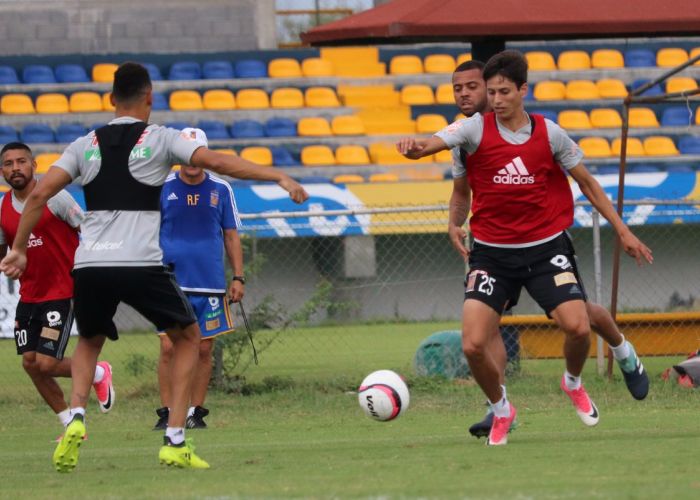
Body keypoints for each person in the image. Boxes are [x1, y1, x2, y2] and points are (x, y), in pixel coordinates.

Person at [0, 62, 308, 471]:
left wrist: (18, 249)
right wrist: (279, 177)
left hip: (89, 263)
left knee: (89, 341)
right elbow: (216, 163)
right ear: (149, 98)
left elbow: (37, 197)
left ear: (111, 100)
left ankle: (75, 416)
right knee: (188, 339)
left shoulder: (83, 144)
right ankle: (176, 438)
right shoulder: (161, 138)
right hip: (139, 262)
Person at [398, 50, 652, 446]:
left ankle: (581, 376)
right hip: (492, 254)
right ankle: (501, 408)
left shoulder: (549, 134)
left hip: (545, 248)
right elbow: (441, 158)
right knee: (473, 343)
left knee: (580, 323)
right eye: (491, 93)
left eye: (502, 92)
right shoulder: (471, 132)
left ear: (522, 91)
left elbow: (588, 184)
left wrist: (623, 230)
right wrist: (417, 151)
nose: (496, 100)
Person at [0, 142, 115, 435]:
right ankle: (70, 425)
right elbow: (5, 252)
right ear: (1, 171)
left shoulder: (56, 198)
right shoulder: (2, 208)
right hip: (29, 296)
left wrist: (94, 271)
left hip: (63, 292)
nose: (16, 168)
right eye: (9, 163)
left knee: (46, 363)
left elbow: (88, 231)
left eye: (21, 161)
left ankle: (100, 372)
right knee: (30, 363)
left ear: (33, 165)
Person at [153, 127, 244, 430]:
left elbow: (231, 236)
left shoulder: (222, 189)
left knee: (204, 349)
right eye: (185, 153)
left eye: (197, 152)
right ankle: (167, 413)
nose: (191, 159)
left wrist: (238, 277)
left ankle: (195, 412)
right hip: (169, 283)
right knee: (168, 348)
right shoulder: (161, 186)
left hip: (210, 283)